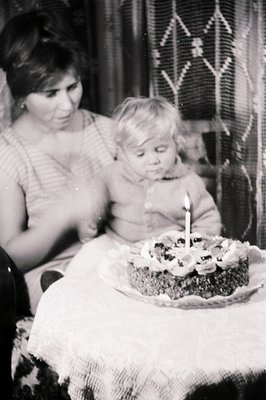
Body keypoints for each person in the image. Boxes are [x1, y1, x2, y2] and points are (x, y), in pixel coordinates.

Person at [0, 9, 116, 314]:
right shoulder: (9, 154)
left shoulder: (107, 132)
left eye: (73, 86)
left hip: (115, 266)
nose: (67, 105)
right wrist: (63, 214)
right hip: (53, 285)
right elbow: (9, 258)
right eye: (50, 93)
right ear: (21, 95)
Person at [63, 96, 221, 275]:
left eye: (161, 150)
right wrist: (89, 220)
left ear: (177, 144)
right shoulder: (112, 174)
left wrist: (192, 245)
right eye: (140, 154)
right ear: (123, 152)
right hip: (119, 245)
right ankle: (65, 283)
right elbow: (95, 198)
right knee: (94, 249)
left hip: (165, 255)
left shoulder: (189, 182)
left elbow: (208, 220)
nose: (153, 160)